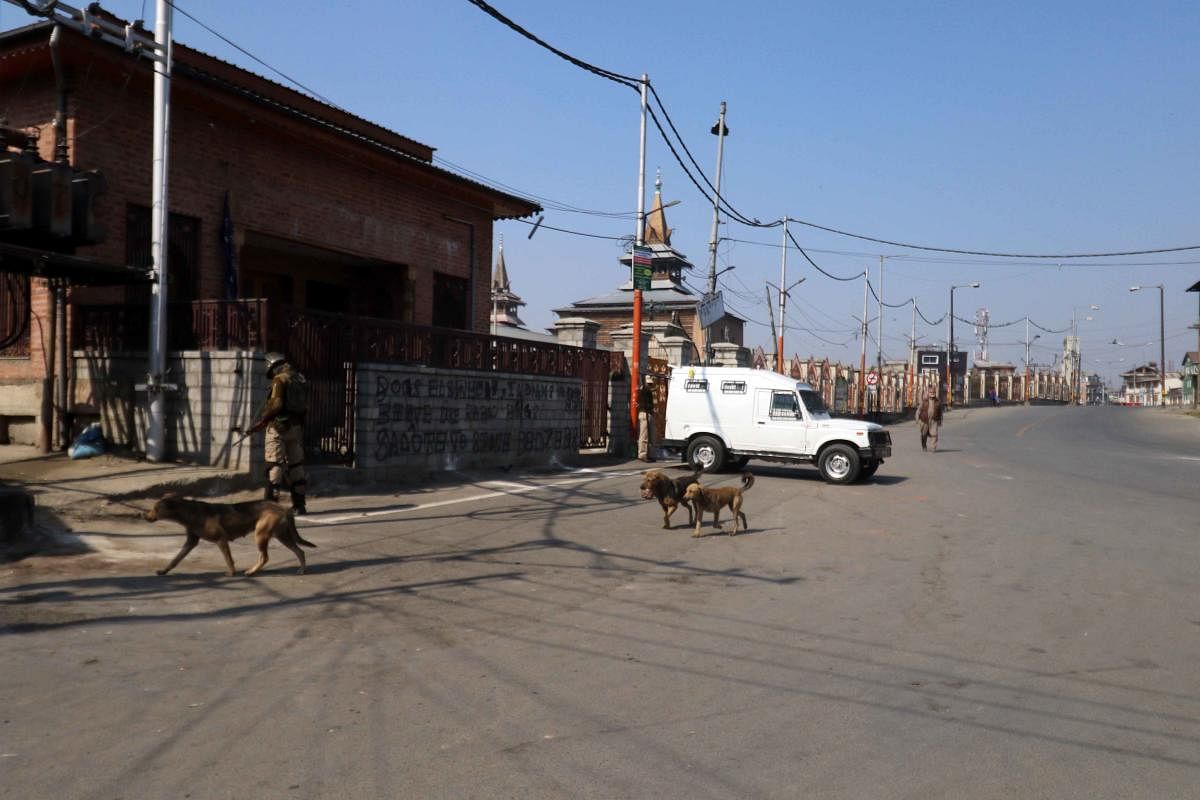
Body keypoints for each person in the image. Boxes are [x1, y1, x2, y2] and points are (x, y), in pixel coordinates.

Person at [248, 352, 308, 514]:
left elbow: (276, 405)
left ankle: (271, 508)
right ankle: (300, 505)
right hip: (295, 428)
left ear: (272, 366)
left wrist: (264, 419)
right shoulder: (299, 378)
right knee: (296, 465)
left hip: (278, 427)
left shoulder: (279, 380)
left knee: (274, 465)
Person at [637, 373, 657, 462]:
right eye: (648, 383)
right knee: (644, 436)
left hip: (648, 413)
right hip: (645, 413)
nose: (650, 385)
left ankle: (649, 454)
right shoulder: (644, 390)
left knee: (651, 436)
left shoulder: (645, 390)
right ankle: (642, 455)